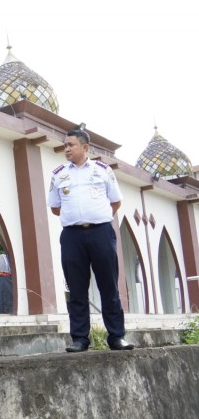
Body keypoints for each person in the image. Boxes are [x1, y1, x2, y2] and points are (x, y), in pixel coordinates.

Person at [47, 128, 134, 352]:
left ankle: (116, 336)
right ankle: (79, 339)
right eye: (65, 145)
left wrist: (96, 217)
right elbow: (55, 207)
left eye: (71, 145)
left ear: (85, 147)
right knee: (76, 288)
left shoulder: (102, 170)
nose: (66, 149)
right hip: (72, 236)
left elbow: (115, 202)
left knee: (109, 286)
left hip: (101, 233)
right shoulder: (58, 174)